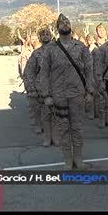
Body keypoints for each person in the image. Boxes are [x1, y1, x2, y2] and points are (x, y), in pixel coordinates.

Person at [40, 14, 94, 169]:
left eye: (67, 22)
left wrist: (90, 91)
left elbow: (90, 70)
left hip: (77, 95)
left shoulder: (81, 47)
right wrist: (47, 95)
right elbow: (43, 73)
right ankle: (67, 160)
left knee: (77, 128)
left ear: (71, 26)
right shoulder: (50, 49)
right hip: (59, 96)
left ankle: (78, 158)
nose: (65, 24)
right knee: (63, 129)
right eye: (62, 23)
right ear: (57, 28)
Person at [24, 28, 55, 145]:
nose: (46, 36)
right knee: (45, 112)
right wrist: (31, 87)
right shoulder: (36, 53)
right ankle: (47, 137)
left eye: (48, 34)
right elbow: (30, 71)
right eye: (43, 34)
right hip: (41, 86)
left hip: (56, 86)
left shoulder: (57, 51)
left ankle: (55, 136)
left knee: (56, 113)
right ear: (40, 38)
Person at [20, 35, 40, 128]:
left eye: (36, 38)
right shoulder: (26, 52)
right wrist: (26, 81)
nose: (34, 40)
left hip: (43, 82)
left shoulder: (44, 50)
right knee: (34, 104)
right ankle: (37, 123)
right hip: (31, 81)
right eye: (32, 39)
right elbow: (24, 68)